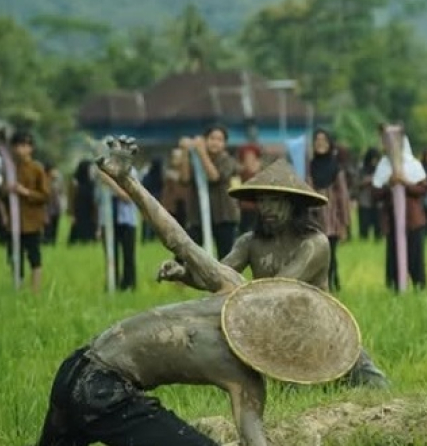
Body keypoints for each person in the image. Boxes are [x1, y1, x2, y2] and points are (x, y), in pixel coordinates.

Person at [19, 137, 345, 446]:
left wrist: (128, 180)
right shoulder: (244, 361)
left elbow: (178, 238)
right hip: (102, 391)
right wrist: (127, 181)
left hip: (72, 370)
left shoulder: (234, 290)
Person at [158, 157, 389, 389]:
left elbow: (279, 288)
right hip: (273, 331)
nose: (267, 208)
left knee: (373, 383)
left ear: (294, 205)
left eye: (276, 201)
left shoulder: (314, 244)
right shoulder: (249, 243)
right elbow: (220, 277)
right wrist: (185, 273)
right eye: (262, 201)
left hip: (319, 329)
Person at [373, 133, 427, 292]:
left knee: (415, 256)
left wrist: (406, 183)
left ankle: (419, 286)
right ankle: (395, 288)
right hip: (392, 219)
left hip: (413, 220)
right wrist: (389, 183)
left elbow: (423, 189)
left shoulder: (413, 165)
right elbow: (375, 193)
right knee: (393, 256)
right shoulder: (384, 165)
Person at [0, 130, 50, 292]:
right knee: (15, 257)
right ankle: (18, 287)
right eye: (17, 146)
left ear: (30, 148)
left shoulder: (37, 169)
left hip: (32, 222)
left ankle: (35, 290)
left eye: (24, 145)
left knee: (34, 257)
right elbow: (1, 194)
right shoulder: (10, 169)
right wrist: (6, 190)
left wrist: (25, 192)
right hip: (14, 223)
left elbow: (45, 195)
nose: (20, 149)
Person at [179, 125, 240, 259]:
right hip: (198, 216)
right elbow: (184, 179)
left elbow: (214, 177)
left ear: (224, 144)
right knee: (186, 252)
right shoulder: (196, 159)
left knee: (225, 257)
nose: (215, 143)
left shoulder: (227, 160)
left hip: (224, 215)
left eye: (220, 140)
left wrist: (202, 152)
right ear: (205, 140)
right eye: (212, 138)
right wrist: (185, 152)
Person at [308, 129, 352, 291]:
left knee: (330, 254)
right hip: (313, 217)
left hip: (332, 218)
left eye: (324, 140)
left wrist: (345, 223)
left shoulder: (336, 167)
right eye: (317, 140)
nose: (320, 143)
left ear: (329, 144)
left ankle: (333, 284)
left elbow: (343, 196)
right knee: (315, 254)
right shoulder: (309, 166)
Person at [96, 164, 139, 290]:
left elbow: (128, 197)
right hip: (107, 220)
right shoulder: (102, 174)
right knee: (110, 256)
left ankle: (129, 285)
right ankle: (112, 284)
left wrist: (110, 182)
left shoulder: (130, 171)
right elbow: (99, 199)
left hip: (127, 220)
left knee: (128, 256)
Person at [357, 148, 383, 241]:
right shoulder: (362, 169)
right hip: (365, 200)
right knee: (364, 223)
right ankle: (364, 239)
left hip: (378, 200)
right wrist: (366, 181)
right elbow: (356, 184)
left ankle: (378, 238)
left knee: (378, 224)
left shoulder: (381, 169)